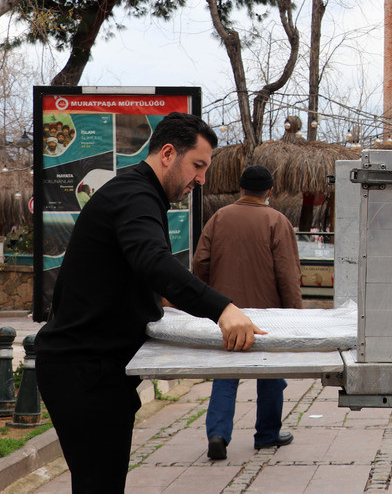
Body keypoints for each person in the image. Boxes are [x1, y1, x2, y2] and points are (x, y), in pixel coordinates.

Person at [35, 112, 263, 493]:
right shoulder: (136, 195)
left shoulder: (137, 192)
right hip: (84, 371)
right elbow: (154, 264)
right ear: (169, 154)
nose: (201, 179)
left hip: (92, 368)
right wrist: (222, 309)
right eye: (198, 166)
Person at [193, 164, 303, 460]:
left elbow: (200, 264)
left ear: (240, 189)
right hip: (267, 317)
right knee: (270, 375)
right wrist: (296, 317)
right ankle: (267, 435)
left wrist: (204, 303)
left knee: (225, 375)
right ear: (269, 191)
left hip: (226, 312)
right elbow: (287, 275)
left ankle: (217, 434)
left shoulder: (219, 218)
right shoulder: (276, 220)